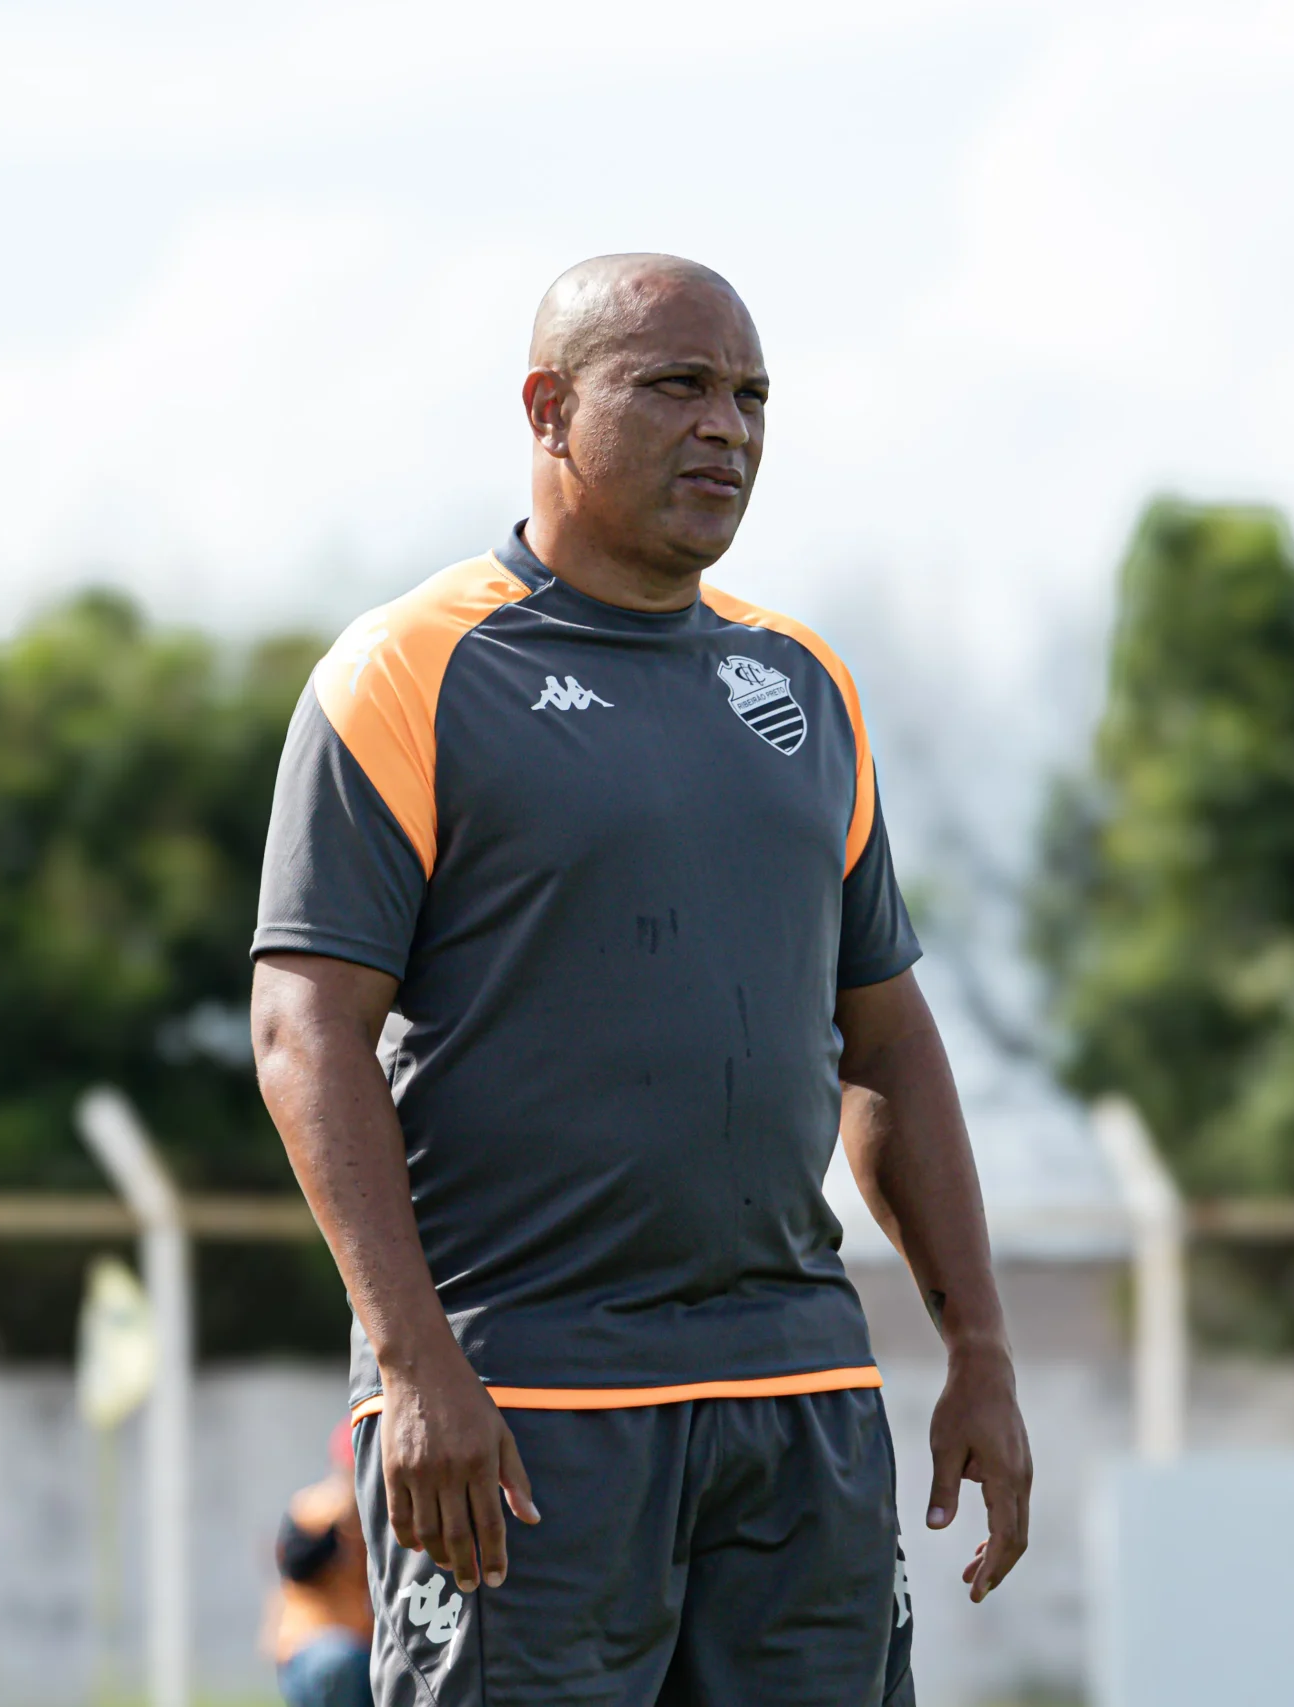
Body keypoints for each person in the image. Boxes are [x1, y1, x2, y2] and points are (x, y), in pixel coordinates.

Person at [249, 252, 1030, 1706]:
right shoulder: (410, 670)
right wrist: (419, 1368)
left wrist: (976, 1342)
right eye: (676, 385)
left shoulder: (804, 683)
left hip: (797, 1397)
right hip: (528, 1407)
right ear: (548, 407)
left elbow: (888, 1039)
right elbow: (305, 1031)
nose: (726, 427)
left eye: (751, 396)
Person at [263, 1421, 375, 1707]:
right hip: (314, 1649)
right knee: (338, 1662)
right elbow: (296, 1565)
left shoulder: (390, 1514)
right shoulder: (315, 1508)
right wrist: (340, 1524)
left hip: (369, 1648)